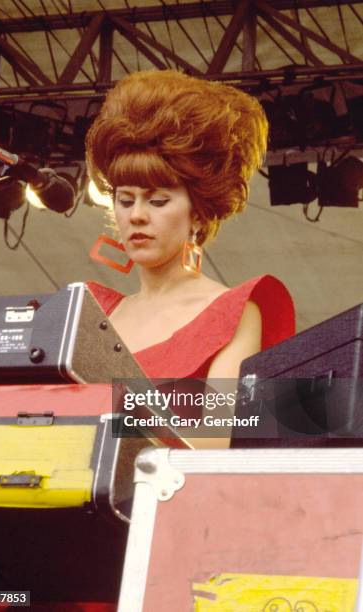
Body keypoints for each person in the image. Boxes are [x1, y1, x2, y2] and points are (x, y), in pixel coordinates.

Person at [85, 69, 295, 445]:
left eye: (158, 200)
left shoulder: (234, 312)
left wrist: (103, 425)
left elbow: (215, 443)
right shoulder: (94, 311)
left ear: (198, 213)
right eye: (125, 199)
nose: (136, 215)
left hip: (163, 499)